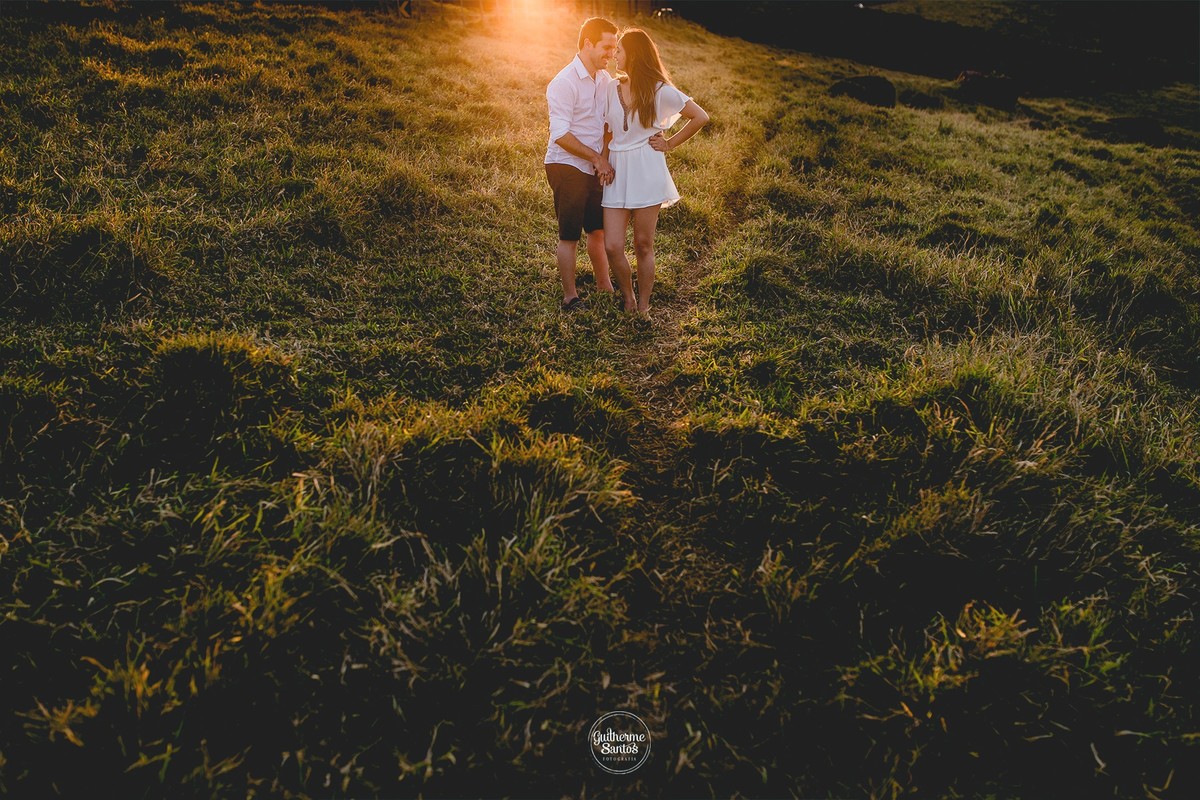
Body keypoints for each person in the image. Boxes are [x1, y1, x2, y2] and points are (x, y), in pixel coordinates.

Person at [602, 28, 709, 316]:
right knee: (612, 245)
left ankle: (644, 305)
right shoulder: (610, 88)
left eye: (620, 50)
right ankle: (628, 296)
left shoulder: (660, 91)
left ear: (634, 55)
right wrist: (602, 161)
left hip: (647, 169)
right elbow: (605, 131)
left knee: (643, 244)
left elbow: (700, 116)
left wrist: (670, 143)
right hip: (616, 170)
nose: (615, 55)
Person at [545, 17, 619, 311]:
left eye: (614, 48)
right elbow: (560, 134)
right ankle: (570, 297)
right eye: (606, 47)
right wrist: (597, 159)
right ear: (588, 43)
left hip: (593, 166)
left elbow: (606, 127)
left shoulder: (605, 81)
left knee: (597, 231)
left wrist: (604, 161)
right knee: (569, 235)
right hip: (566, 165)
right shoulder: (563, 82)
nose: (611, 54)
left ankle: (606, 286)